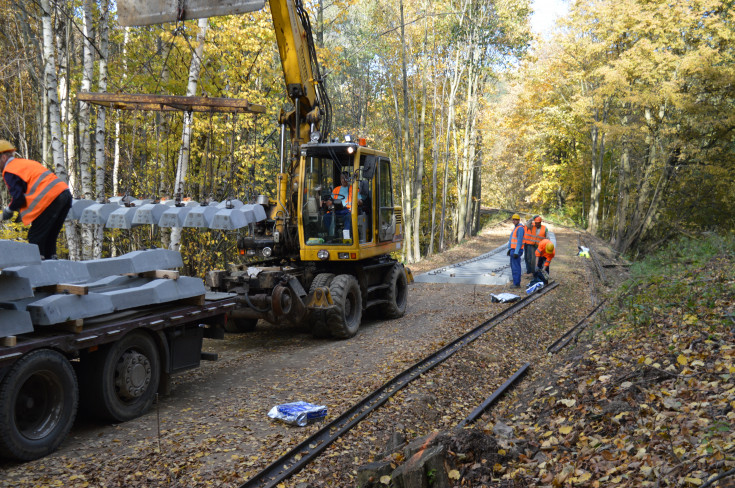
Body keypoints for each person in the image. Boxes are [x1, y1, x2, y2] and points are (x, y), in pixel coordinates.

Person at [0, 140, 72, 259]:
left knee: (35, 238)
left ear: (3, 157)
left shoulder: (9, 170)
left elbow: (18, 197)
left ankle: (39, 267)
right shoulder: (25, 163)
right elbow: (29, 191)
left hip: (50, 198)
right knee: (50, 236)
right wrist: (21, 212)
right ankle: (51, 261)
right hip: (64, 194)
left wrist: (8, 211)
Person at [507, 213, 525, 287]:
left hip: (516, 251)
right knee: (513, 266)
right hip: (513, 250)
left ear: (518, 220)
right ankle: (515, 282)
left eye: (515, 220)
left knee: (516, 267)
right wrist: (509, 249)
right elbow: (512, 240)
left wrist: (516, 252)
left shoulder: (520, 228)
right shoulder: (516, 228)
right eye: (513, 220)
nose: (514, 221)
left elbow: (519, 241)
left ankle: (517, 283)